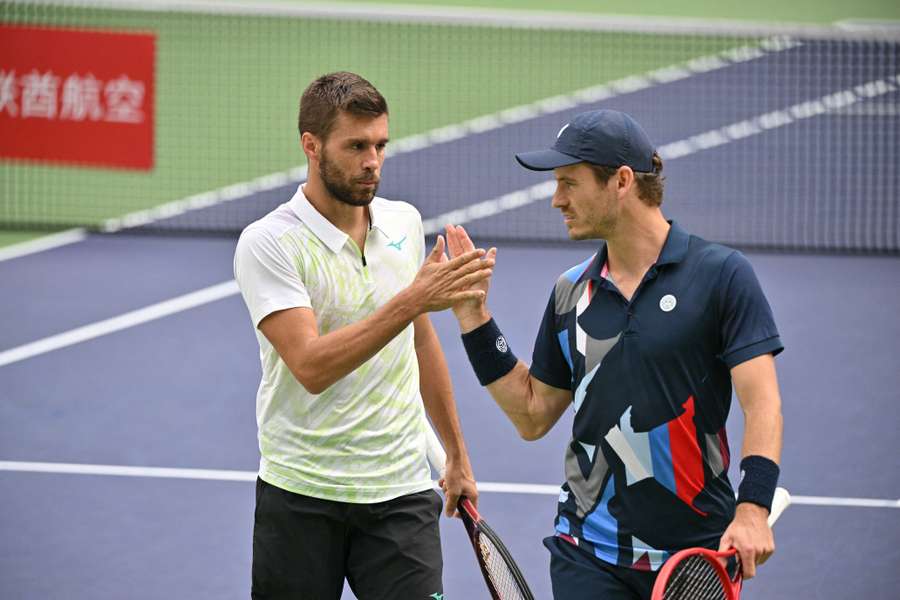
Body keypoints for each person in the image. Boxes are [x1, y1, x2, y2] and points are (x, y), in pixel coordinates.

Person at [445, 109, 784, 599]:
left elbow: (763, 404)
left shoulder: (721, 277)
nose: (556, 199)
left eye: (569, 183)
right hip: (586, 550)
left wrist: (753, 507)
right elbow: (532, 414)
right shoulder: (570, 292)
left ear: (621, 181)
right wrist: (473, 319)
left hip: (694, 556)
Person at [233, 71, 490, 600]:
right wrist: (413, 299)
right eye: (355, 146)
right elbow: (310, 366)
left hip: (401, 494)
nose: (372, 160)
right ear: (311, 145)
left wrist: (456, 455)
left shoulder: (404, 222)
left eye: (380, 145)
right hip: (301, 494)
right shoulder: (270, 244)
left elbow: (421, 343)